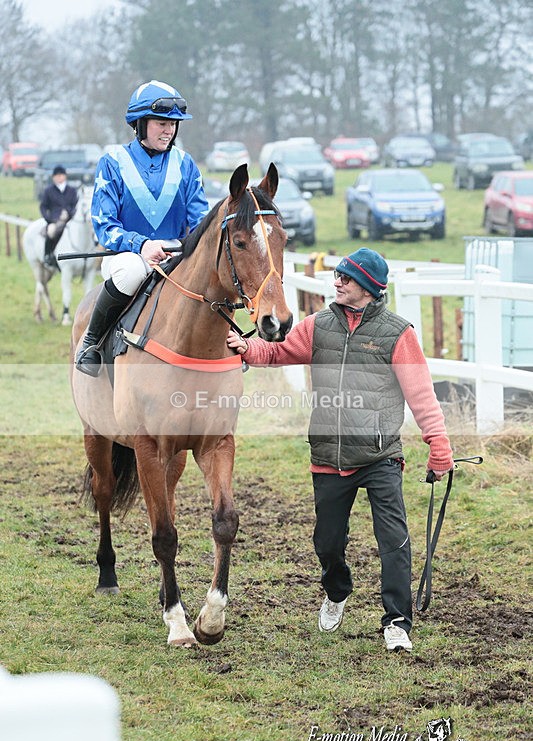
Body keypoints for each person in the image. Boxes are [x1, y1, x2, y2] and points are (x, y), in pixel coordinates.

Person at [227, 247, 454, 653]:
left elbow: (421, 395)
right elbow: (279, 351)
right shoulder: (319, 325)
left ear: (367, 288)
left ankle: (397, 621)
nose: (337, 283)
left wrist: (439, 445)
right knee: (327, 543)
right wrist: (248, 350)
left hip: (380, 455)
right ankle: (336, 591)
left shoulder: (397, 334)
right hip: (328, 455)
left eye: (346, 279)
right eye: (338, 276)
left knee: (394, 541)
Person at [76, 79, 209, 376]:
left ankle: (226, 347)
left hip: (175, 255)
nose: (169, 130)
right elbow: (104, 226)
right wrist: (142, 245)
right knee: (132, 271)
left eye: (174, 124)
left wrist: (185, 247)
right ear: (140, 124)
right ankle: (92, 341)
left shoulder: (185, 164)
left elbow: (200, 220)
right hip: (125, 255)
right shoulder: (112, 163)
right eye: (162, 122)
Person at [39, 165, 79, 268]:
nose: (58, 177)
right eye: (56, 176)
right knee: (51, 231)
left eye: (60, 175)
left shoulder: (72, 190)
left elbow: (75, 205)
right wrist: (49, 220)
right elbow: (43, 206)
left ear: (65, 176)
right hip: (54, 220)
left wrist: (69, 213)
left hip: (70, 220)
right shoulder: (49, 190)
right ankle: (48, 254)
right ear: (53, 177)